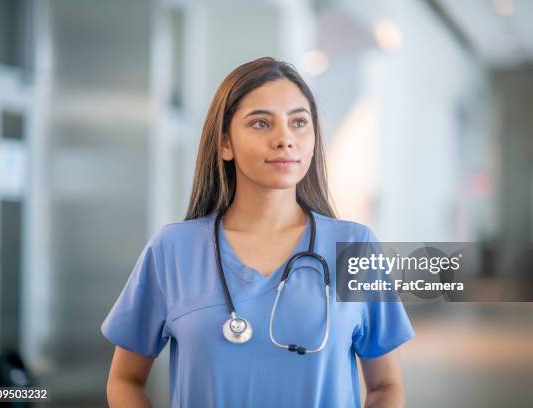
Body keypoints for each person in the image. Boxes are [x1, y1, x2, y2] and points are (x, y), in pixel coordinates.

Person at [101, 56, 414, 407]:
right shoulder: (173, 251)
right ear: (225, 144)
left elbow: (386, 386)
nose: (284, 139)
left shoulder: (354, 248)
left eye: (299, 122)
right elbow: (125, 379)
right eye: (261, 124)